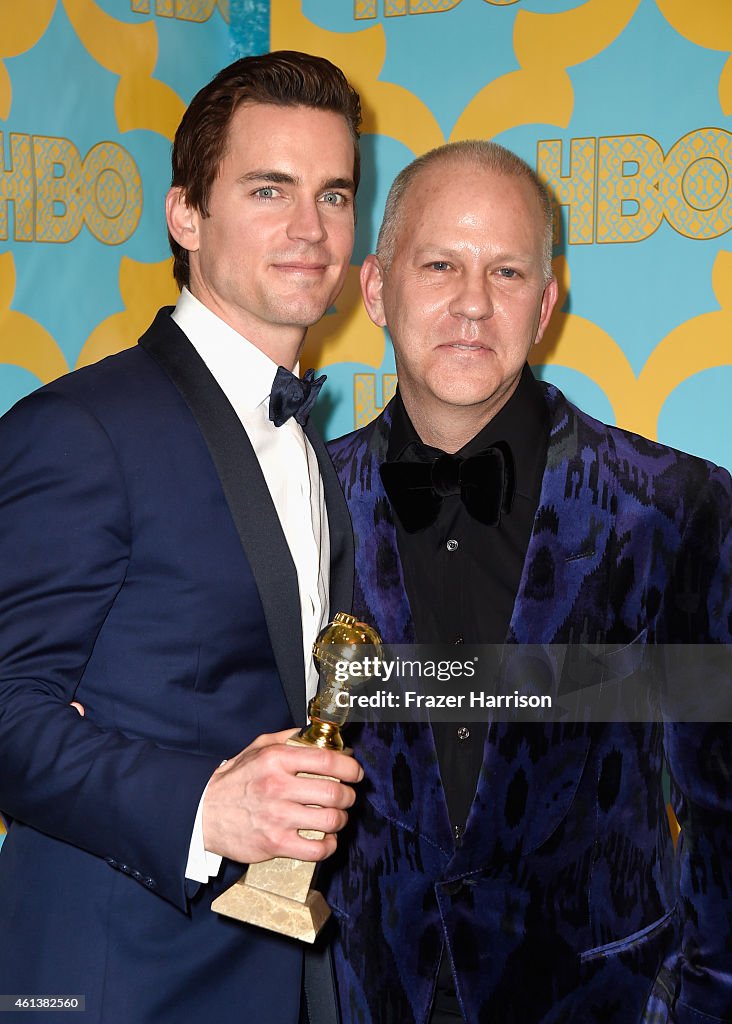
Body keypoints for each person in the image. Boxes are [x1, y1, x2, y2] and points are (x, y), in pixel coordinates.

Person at [325, 141, 732, 1024]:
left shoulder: (675, 507)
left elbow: (723, 802)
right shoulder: (303, 503)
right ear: (375, 288)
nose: (473, 303)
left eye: (508, 273)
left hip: (607, 1002)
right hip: (362, 998)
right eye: (440, 265)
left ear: (545, 305)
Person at [0, 51, 363, 1024]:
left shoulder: (307, 448)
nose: (310, 228)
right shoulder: (82, 430)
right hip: (111, 985)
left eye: (334, 193)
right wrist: (202, 804)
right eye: (269, 189)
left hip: (273, 980)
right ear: (185, 216)